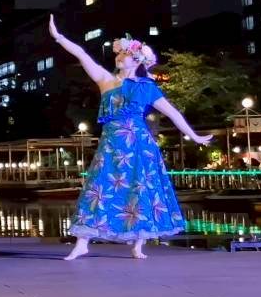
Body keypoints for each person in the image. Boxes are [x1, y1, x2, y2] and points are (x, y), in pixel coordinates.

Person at [47, 16, 212, 260]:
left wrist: (194, 136)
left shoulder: (146, 87)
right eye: (119, 53)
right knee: (98, 187)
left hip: (138, 144)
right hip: (111, 144)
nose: (119, 57)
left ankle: (138, 243)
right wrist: (59, 37)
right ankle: (83, 242)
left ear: (136, 60)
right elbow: (82, 55)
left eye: (124, 54)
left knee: (140, 188)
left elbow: (173, 113)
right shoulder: (105, 80)